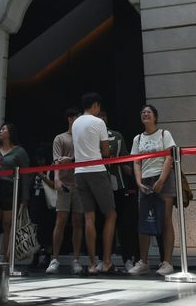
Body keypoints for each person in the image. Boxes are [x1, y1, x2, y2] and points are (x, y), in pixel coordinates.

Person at [128, 104, 176, 276]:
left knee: (165, 219)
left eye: (148, 112)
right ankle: (144, 262)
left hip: (164, 179)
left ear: (155, 117)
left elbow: (170, 157)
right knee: (144, 221)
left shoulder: (165, 134)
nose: (145, 114)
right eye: (143, 112)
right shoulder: (137, 139)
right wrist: (139, 182)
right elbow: (136, 162)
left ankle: (167, 262)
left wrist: (162, 180)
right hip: (145, 181)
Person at [72, 93, 116, 274]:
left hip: (79, 172)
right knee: (110, 214)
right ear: (96, 105)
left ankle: (91, 264)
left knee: (89, 217)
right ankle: (106, 261)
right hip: (96, 170)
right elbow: (105, 151)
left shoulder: (75, 123)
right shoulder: (99, 123)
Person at [0, 122, 30, 261]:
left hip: (11, 189)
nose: (0, 131)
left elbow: (26, 175)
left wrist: (25, 197)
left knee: (8, 226)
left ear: (10, 132)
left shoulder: (19, 151)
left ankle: (6, 262)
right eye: (0, 129)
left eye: (3, 129)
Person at [46, 108, 84, 275]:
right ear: (70, 119)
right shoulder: (60, 138)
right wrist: (57, 179)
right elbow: (56, 161)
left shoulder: (82, 138)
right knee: (60, 221)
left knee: (78, 221)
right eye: (77, 118)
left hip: (80, 184)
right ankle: (54, 259)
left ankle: (76, 259)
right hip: (64, 184)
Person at [101, 109, 139, 271]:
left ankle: (128, 258)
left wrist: (136, 178)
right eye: (98, 118)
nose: (101, 120)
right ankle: (102, 259)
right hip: (99, 185)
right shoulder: (90, 137)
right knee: (101, 222)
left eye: (103, 117)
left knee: (124, 224)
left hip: (119, 185)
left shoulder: (117, 136)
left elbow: (124, 158)